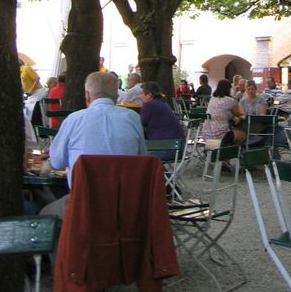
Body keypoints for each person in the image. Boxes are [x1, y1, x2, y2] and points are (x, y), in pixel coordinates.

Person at [41, 72, 146, 217]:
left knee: (43, 214)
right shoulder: (133, 118)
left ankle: (70, 239)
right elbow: (141, 159)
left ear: (88, 95)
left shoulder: (74, 120)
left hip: (84, 206)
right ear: (116, 95)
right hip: (125, 207)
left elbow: (57, 162)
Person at [140, 81, 186, 160]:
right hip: (179, 148)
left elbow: (140, 125)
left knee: (134, 154)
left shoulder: (149, 105)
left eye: (141, 93)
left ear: (149, 95)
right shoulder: (163, 103)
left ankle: (154, 172)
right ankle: (158, 172)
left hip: (167, 149)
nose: (139, 96)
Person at [202, 78, 245, 146]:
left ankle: (222, 148)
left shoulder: (212, 98)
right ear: (229, 89)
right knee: (243, 135)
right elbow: (238, 113)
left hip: (206, 134)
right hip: (220, 134)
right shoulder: (230, 100)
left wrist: (232, 116)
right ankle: (231, 150)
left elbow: (222, 111)